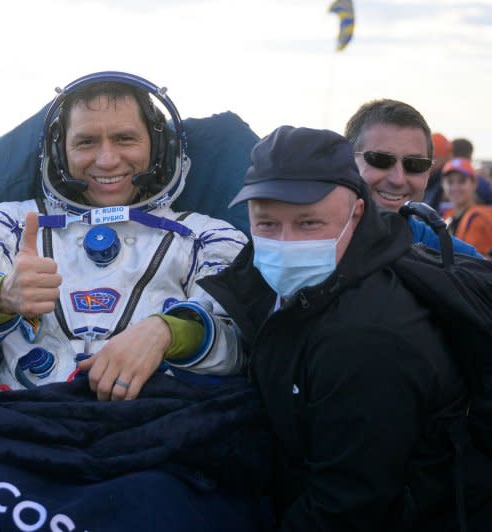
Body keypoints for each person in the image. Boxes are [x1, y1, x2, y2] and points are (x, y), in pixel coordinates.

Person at [199, 125, 492, 530]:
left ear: (356, 214)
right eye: (266, 224)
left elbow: (347, 506)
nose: (285, 243)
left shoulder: (368, 338)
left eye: (309, 224)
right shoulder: (293, 281)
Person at [0, 72, 247, 400]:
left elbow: (241, 343)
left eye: (125, 139)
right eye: (86, 142)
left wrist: (169, 332)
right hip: (24, 421)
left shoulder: (206, 238)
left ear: (157, 147)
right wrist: (0, 296)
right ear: (59, 149)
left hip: (156, 423)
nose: (107, 160)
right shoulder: (10, 223)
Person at [344, 98, 482, 257]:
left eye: (415, 164)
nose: (398, 179)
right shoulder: (317, 237)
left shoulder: (447, 250)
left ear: (429, 171)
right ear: (346, 161)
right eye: (380, 160)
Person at [443, 157, 492, 257]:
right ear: (443, 185)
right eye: (450, 182)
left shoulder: (483, 218)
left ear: (474, 184)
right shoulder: (448, 216)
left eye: (461, 181)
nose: (455, 187)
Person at [423, 132, 452, 211]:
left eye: (433, 158)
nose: (428, 162)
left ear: (445, 158)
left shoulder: (447, 182)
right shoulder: (427, 179)